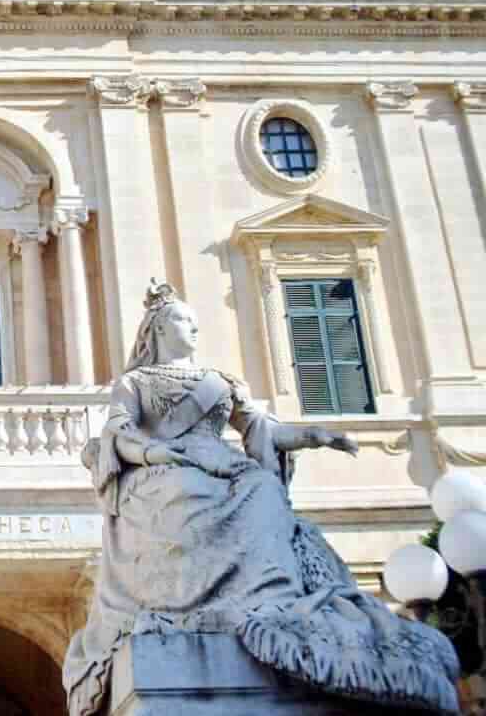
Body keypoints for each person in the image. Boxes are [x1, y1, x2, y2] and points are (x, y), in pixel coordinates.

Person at [62, 280, 459, 716]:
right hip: (162, 471)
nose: (193, 328)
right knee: (181, 490)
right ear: (156, 329)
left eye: (194, 321)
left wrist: (311, 434)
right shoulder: (135, 382)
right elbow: (119, 432)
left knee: (263, 487)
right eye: (182, 321)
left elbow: (260, 429)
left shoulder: (218, 381)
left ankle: (269, 601)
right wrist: (157, 451)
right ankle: (202, 601)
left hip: (226, 468)